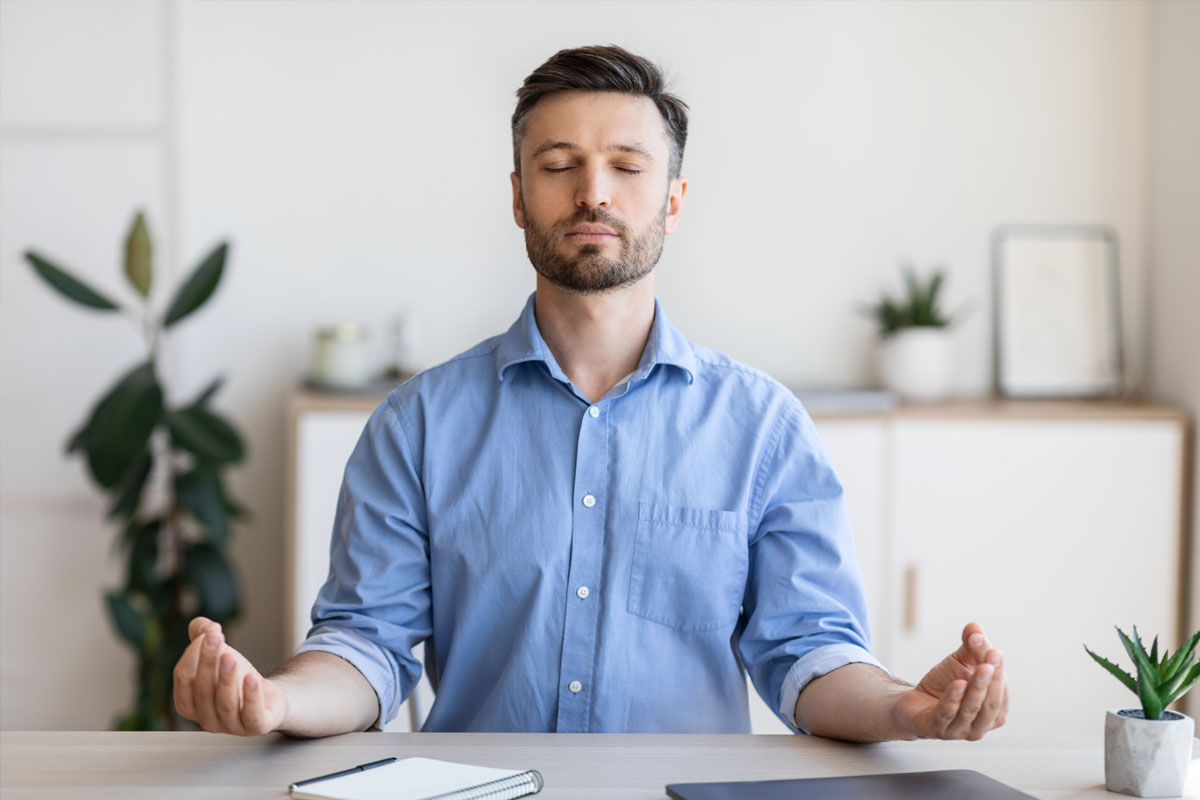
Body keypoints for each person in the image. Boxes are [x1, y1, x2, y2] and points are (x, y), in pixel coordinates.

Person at [173, 45, 1008, 742]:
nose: (593, 193)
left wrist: (907, 709)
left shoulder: (762, 428)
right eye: (559, 164)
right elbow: (365, 648)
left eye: (626, 166)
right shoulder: (417, 424)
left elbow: (808, 656)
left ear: (674, 201)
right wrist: (278, 701)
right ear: (517, 196)